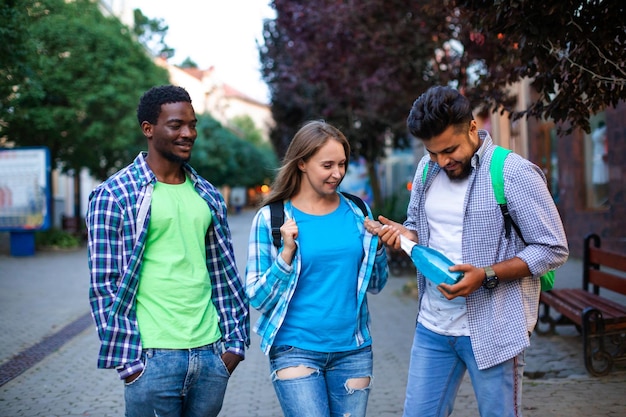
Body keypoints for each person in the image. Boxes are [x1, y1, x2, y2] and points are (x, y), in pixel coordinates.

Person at [374, 86, 569, 417]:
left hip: (493, 327)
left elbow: (553, 248)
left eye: (449, 150)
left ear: (472, 127)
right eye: (433, 152)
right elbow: (421, 229)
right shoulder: (425, 170)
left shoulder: (512, 172)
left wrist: (486, 275)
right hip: (433, 327)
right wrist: (404, 234)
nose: (442, 161)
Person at [86, 85, 249, 417]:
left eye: (192, 124)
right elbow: (103, 285)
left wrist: (234, 345)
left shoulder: (208, 194)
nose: (188, 133)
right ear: (148, 129)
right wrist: (130, 365)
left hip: (210, 353)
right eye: (176, 125)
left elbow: (223, 272)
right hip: (152, 357)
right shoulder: (114, 195)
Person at [245, 120, 389, 417]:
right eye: (327, 165)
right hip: (295, 350)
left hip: (353, 350)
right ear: (302, 164)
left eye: (342, 164)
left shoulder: (357, 211)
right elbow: (257, 298)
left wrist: (380, 245)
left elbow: (376, 284)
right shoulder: (271, 219)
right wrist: (286, 254)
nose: (337, 173)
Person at [590, 121, 608, 206]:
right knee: (601, 176)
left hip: (600, 156)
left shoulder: (597, 133)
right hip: (600, 156)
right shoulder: (599, 133)